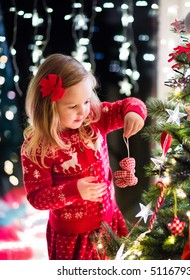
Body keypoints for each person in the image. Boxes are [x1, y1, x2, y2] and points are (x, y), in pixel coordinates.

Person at [21, 53, 147, 260]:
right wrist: (74, 190)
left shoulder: (95, 119)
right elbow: (37, 198)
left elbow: (129, 104)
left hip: (109, 222)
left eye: (87, 101)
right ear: (49, 107)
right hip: (72, 237)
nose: (83, 111)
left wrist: (133, 112)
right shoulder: (38, 147)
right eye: (72, 106)